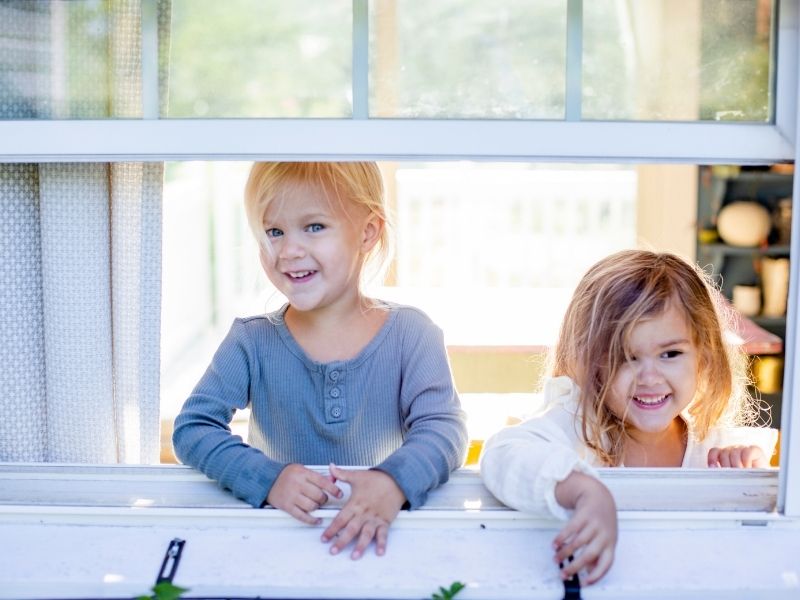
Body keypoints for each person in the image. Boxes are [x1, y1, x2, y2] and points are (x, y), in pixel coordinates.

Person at [173, 162, 467, 560]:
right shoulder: (251, 340)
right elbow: (193, 429)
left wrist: (393, 482)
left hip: (384, 540)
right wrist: (269, 479)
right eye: (274, 231)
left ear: (367, 232)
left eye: (314, 227)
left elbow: (444, 431)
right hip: (281, 542)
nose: (289, 251)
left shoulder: (412, 335)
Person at [480, 249, 778, 586]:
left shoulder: (714, 448)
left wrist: (747, 479)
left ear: (704, 357)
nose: (648, 377)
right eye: (625, 356)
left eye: (670, 353)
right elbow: (502, 454)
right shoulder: (578, 427)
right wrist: (584, 491)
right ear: (588, 363)